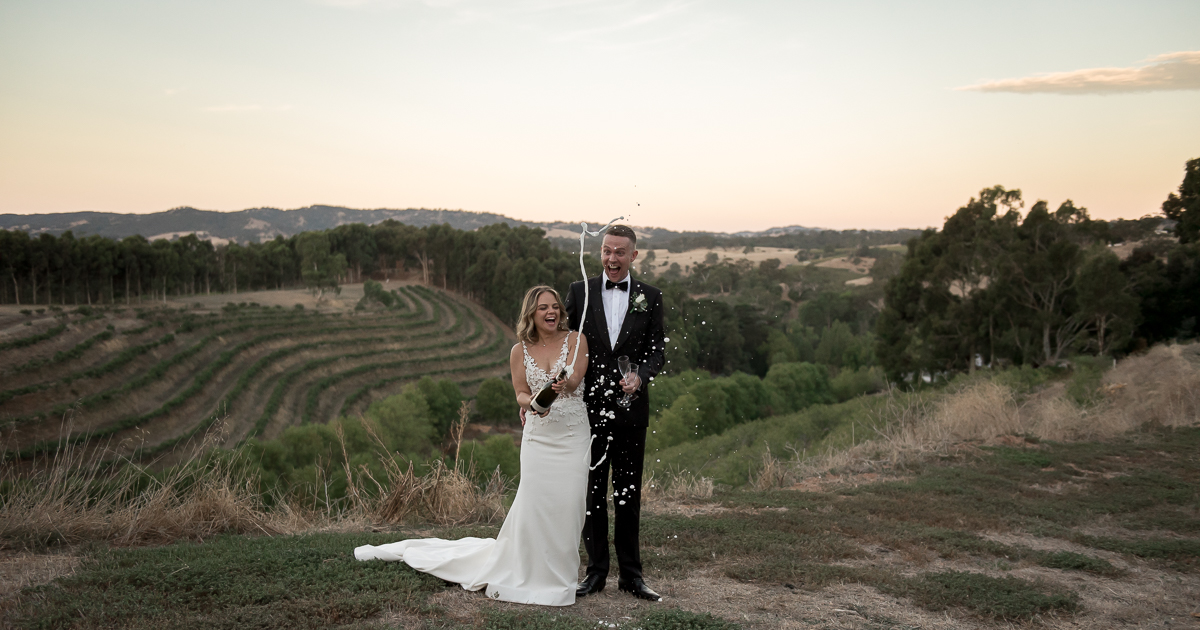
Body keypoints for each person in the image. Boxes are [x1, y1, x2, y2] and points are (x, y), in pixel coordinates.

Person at [354, 285, 591, 606]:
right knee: (536, 503)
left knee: (569, 504)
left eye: (555, 307)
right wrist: (534, 403)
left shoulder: (576, 341)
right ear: (531, 315)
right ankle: (533, 571)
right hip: (539, 438)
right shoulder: (518, 351)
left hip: (574, 435)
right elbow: (520, 393)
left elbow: (576, 379)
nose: (551, 312)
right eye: (542, 308)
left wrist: (564, 384)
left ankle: (559, 574)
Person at [564, 224, 665, 602]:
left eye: (620, 252)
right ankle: (595, 574)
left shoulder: (651, 297)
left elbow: (658, 352)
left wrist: (641, 375)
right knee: (592, 494)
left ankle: (632, 576)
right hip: (586, 412)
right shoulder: (580, 292)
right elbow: (565, 345)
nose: (612, 258)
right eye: (607, 250)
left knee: (628, 493)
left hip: (632, 412)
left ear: (634, 256)